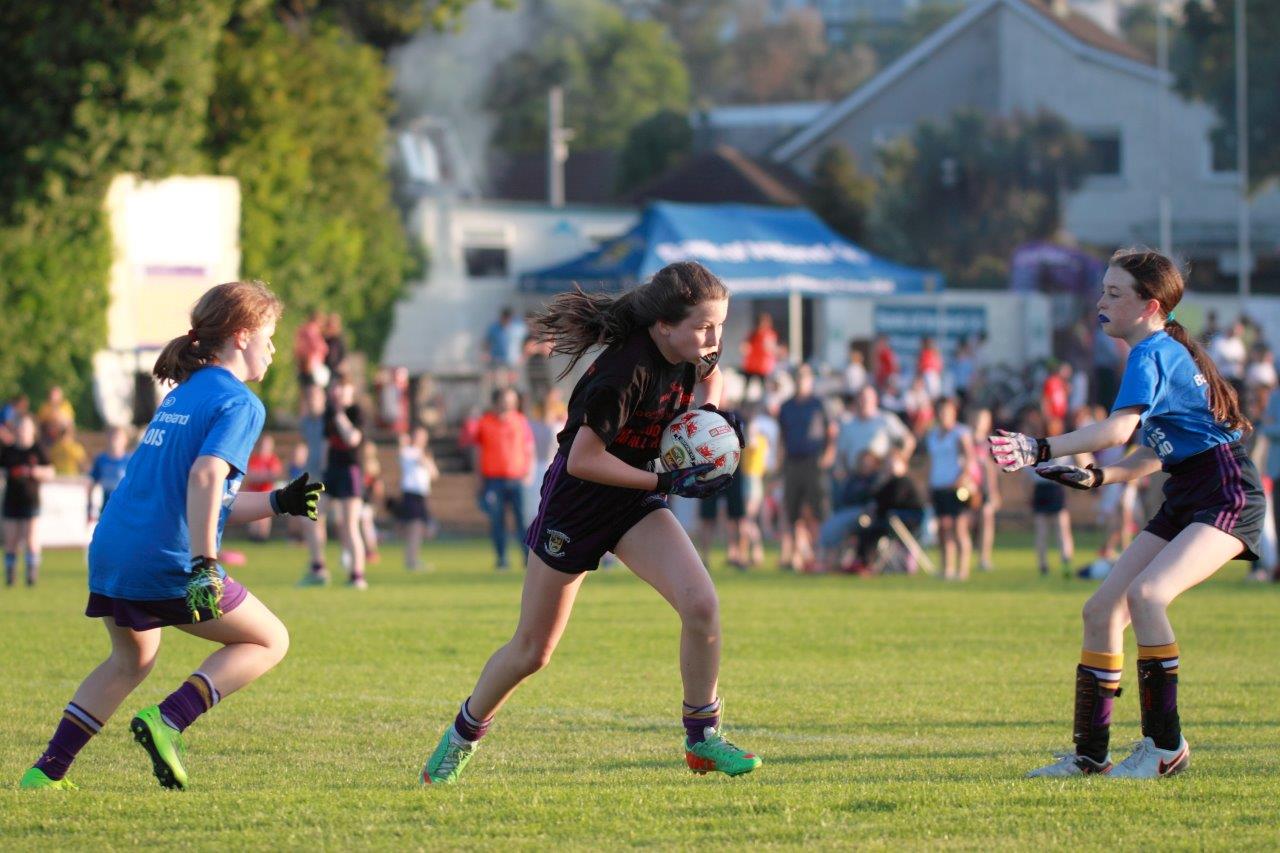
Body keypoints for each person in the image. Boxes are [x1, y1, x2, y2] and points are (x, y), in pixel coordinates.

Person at [419, 261, 759, 785]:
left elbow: (712, 376)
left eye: (720, 325)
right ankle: (460, 738)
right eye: (704, 326)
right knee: (533, 652)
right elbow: (582, 459)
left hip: (634, 503)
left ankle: (702, 740)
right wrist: (665, 482)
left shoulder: (695, 350)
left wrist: (709, 421)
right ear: (663, 325)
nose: (715, 338)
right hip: (577, 506)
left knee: (701, 604)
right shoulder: (624, 372)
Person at [19, 281, 322, 791]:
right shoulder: (241, 403)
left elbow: (203, 493)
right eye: (269, 335)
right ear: (242, 335)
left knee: (131, 658)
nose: (273, 348)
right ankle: (169, 720)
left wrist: (276, 502)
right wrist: (205, 562)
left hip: (114, 549)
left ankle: (44, 775)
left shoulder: (186, 391)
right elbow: (204, 478)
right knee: (271, 639)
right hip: (166, 558)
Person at [991, 248, 1263, 779]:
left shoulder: (1151, 353)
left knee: (1147, 595)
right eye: (1103, 291)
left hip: (1226, 490)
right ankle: (1091, 756)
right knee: (1101, 611)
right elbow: (1155, 451)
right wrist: (1099, 477)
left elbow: (1117, 432)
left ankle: (1166, 748)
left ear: (1150, 306)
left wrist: (1039, 447)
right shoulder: (1154, 350)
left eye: (1115, 294)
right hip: (1187, 491)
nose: (1101, 303)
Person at [777, 364, 835, 572]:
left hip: (813, 461)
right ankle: (796, 555)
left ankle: (820, 553)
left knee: (818, 510)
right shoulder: (786, 406)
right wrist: (780, 463)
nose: (801, 380)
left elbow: (831, 432)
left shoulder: (819, 404)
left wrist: (828, 455)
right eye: (798, 377)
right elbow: (782, 436)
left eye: (804, 377)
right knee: (793, 511)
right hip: (793, 462)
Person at [475, 387, 535, 571]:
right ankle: (502, 559)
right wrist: (478, 479)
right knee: (497, 521)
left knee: (524, 521)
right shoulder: (485, 422)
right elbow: (478, 451)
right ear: (496, 401)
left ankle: (527, 559)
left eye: (512, 400)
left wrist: (529, 473)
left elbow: (529, 448)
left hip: (517, 479)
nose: (509, 403)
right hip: (493, 480)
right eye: (505, 399)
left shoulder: (521, 421)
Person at [924, 397, 976, 581]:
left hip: (956, 487)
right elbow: (930, 462)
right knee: (943, 529)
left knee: (960, 528)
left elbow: (970, 458)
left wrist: (961, 479)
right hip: (938, 486)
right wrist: (928, 485)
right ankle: (946, 567)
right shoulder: (932, 435)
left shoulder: (960, 433)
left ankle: (963, 570)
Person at [324, 375, 368, 589]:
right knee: (312, 518)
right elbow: (325, 445)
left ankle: (357, 575)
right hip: (331, 471)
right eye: (334, 389)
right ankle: (318, 567)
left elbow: (352, 439)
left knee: (351, 525)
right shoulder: (328, 413)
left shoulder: (355, 412)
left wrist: (340, 414)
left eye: (341, 389)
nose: (337, 393)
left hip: (350, 472)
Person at [2, 415, 54, 586]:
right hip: (11, 500)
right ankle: (11, 577)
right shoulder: (8, 451)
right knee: (10, 541)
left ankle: (31, 576)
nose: (22, 431)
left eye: (26, 428)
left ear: (32, 430)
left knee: (31, 539)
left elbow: (50, 472)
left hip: (31, 500)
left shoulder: (38, 449)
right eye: (20, 428)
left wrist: (33, 472)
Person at [1026, 415, 1078, 578]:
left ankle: (1044, 565)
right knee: (1061, 530)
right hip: (1054, 488)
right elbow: (1067, 468)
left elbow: (1027, 474)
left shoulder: (1035, 448)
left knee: (1044, 530)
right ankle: (1065, 562)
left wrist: (1028, 494)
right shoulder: (1061, 447)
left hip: (1042, 488)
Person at [296, 383, 329, 585]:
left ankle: (320, 566)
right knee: (312, 522)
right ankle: (318, 565)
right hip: (312, 477)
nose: (312, 402)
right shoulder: (306, 422)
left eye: (316, 398)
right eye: (309, 399)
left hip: (328, 478)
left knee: (315, 522)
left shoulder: (329, 421)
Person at [398, 426, 439, 572]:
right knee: (415, 527)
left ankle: (412, 558)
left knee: (419, 528)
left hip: (422, 494)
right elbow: (403, 455)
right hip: (411, 493)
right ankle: (411, 560)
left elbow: (434, 474)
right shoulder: (409, 451)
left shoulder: (424, 454)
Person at [244, 435, 283, 542]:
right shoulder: (254, 459)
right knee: (252, 514)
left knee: (265, 515)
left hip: (266, 491)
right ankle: (253, 536)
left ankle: (262, 536)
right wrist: (264, 476)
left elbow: (275, 475)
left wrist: (260, 476)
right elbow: (250, 476)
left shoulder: (273, 459)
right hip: (253, 492)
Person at [88, 426, 132, 519]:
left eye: (117, 437)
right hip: (106, 507)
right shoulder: (101, 460)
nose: (114, 440)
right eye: (112, 437)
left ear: (125, 440)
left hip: (124, 507)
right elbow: (92, 484)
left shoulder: (130, 461)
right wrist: (90, 506)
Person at [741, 313, 778, 402]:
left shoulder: (769, 334)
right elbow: (745, 347)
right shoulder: (753, 334)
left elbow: (771, 348)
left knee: (764, 388)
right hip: (752, 365)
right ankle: (745, 403)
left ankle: (764, 402)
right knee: (747, 387)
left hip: (763, 367)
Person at [293, 309, 328, 388]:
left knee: (304, 390)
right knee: (312, 391)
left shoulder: (302, 329)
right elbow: (320, 347)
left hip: (303, 365)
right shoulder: (312, 330)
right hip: (311, 366)